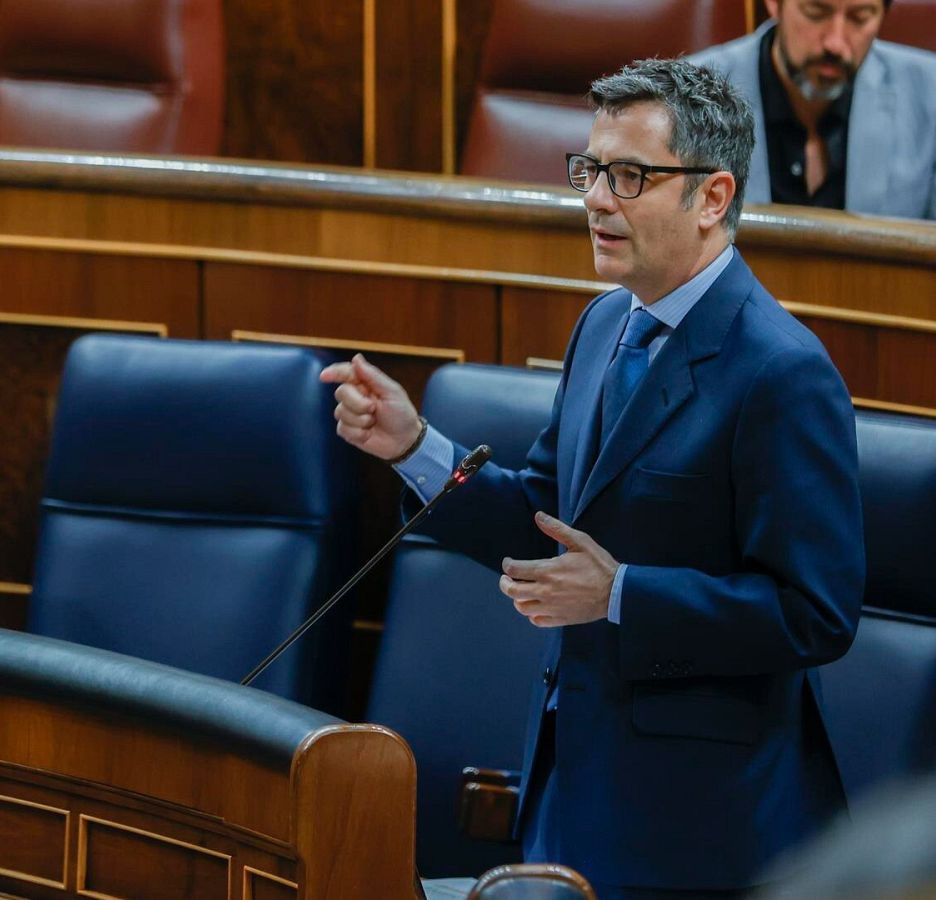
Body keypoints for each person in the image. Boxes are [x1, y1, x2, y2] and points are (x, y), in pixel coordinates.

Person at [323, 59, 864, 898]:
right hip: (573, 779)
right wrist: (415, 447)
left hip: (698, 824)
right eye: (591, 171)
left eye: (630, 176)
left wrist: (621, 596)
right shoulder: (606, 323)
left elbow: (815, 615)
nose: (596, 200)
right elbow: (547, 513)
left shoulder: (782, 372)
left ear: (713, 198)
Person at [688, 0, 936, 229]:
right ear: (773, 4)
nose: (835, 42)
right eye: (816, 12)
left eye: (859, 18)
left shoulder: (933, 90)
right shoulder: (692, 92)